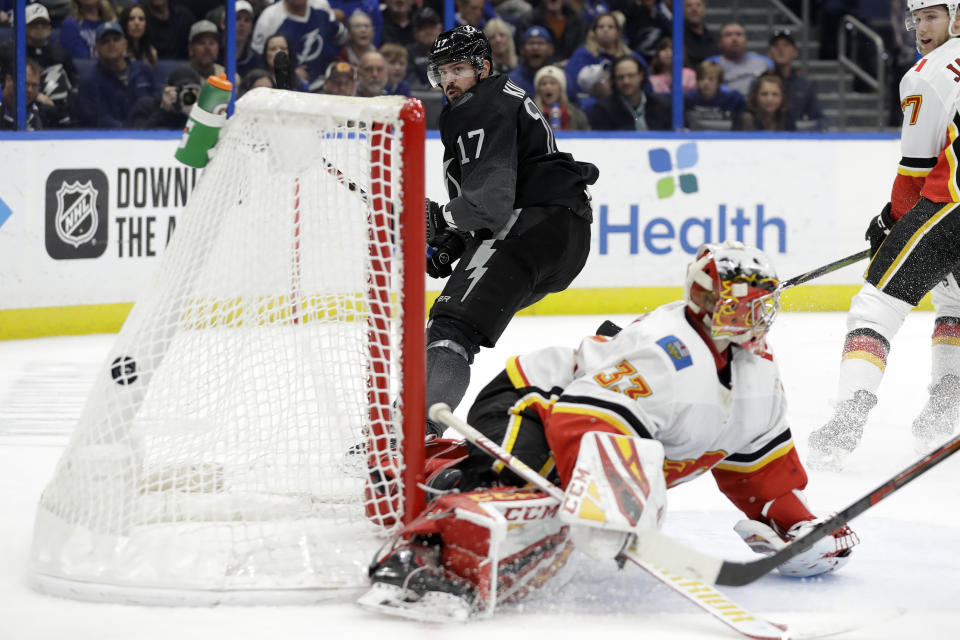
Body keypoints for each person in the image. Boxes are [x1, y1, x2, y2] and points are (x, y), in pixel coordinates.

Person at [360, 241, 859, 619]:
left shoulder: (760, 377)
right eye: (737, 310)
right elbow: (583, 416)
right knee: (526, 500)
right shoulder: (667, 354)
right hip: (531, 403)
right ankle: (424, 552)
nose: (752, 323)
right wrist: (617, 497)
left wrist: (797, 526)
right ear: (703, 303)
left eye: (761, 309)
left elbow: (761, 469)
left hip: (576, 421)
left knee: (559, 513)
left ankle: (442, 469)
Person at [419, 24, 598, 440]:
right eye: (441, 72)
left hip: (532, 226)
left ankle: (413, 431)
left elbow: (493, 204)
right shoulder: (499, 97)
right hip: (563, 234)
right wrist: (457, 239)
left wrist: (443, 218)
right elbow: (496, 197)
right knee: (461, 316)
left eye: (458, 69)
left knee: (452, 327)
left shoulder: (480, 106)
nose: (448, 81)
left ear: (482, 67)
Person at [807, 0, 960, 469]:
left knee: (876, 305)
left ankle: (847, 419)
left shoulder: (927, 74)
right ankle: (942, 412)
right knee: (955, 304)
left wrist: (891, 221)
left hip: (953, 207)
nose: (921, 27)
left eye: (933, 16)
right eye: (916, 18)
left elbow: (916, 174)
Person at [0, 3, 76, 128]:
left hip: (56, 110)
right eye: (34, 23)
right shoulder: (9, 52)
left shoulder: (61, 53)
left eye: (43, 23)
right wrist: (36, 95)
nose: (40, 27)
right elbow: (4, 84)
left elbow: (74, 84)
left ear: (50, 28)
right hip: (18, 109)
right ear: (23, 27)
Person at [75, 21, 158, 128]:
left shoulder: (142, 70)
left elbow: (157, 100)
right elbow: (94, 119)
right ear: (96, 48)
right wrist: (127, 130)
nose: (111, 44)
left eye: (116, 39)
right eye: (105, 41)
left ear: (125, 44)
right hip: (110, 139)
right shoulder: (89, 81)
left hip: (148, 134)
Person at [251, 0, 347, 91]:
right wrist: (290, 73)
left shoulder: (320, 5)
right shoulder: (269, 18)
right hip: (283, 87)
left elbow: (341, 38)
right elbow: (259, 60)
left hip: (322, 85)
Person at [565, 12, 638, 105]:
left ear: (618, 32)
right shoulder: (582, 54)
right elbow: (572, 82)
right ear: (594, 31)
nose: (605, 30)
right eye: (601, 27)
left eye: (610, 27)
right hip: (593, 100)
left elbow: (644, 79)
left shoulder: (629, 55)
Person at [767, 28, 828, 131]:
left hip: (797, 140)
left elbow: (819, 118)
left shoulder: (804, 85)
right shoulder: (760, 83)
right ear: (769, 53)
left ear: (794, 52)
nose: (780, 49)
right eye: (776, 45)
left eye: (786, 45)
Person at [587, 54, 668, 130]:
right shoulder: (603, 110)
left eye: (631, 75)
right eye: (620, 77)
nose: (626, 81)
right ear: (614, 79)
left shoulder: (660, 106)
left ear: (641, 75)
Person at [704, 22, 773, 97]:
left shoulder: (764, 62)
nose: (734, 39)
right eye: (728, 35)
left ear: (746, 40)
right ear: (720, 42)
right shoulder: (711, 64)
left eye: (739, 34)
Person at [123, 65, 201, 128]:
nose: (187, 96)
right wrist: (163, 111)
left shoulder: (200, 113)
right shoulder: (146, 106)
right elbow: (136, 137)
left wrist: (193, 115)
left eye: (192, 92)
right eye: (181, 90)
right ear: (167, 89)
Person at [517, 0, 588, 61]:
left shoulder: (577, 21)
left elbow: (581, 48)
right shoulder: (528, 20)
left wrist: (570, 62)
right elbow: (521, 51)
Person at [683, 60, 744, 130]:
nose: (705, 83)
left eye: (711, 79)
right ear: (697, 81)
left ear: (719, 83)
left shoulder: (733, 99)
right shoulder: (687, 98)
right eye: (701, 78)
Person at [0, 58, 58, 130]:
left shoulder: (34, 111)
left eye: (34, 86)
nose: (30, 90)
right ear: (8, 80)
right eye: (25, 84)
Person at [533, 64, 590, 130]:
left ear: (561, 89)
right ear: (538, 90)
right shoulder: (530, 115)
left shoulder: (576, 115)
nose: (548, 87)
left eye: (552, 83)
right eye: (543, 84)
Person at [507, 25, 556, 96]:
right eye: (531, 43)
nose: (535, 48)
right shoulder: (512, 81)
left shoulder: (561, 78)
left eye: (540, 43)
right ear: (522, 49)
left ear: (551, 49)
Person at [406, 7, 443, 89]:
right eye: (423, 27)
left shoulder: (451, 50)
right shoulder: (408, 53)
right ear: (415, 32)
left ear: (440, 28)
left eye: (432, 26)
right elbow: (410, 82)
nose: (428, 31)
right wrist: (430, 88)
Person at [119, 3, 157, 69]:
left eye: (141, 19)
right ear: (124, 23)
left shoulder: (152, 52)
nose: (137, 23)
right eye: (131, 19)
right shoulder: (118, 52)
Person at [682, 0, 718, 65]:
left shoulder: (714, 39)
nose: (694, 9)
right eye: (689, 6)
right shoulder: (676, 37)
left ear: (704, 10)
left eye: (698, 5)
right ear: (682, 11)